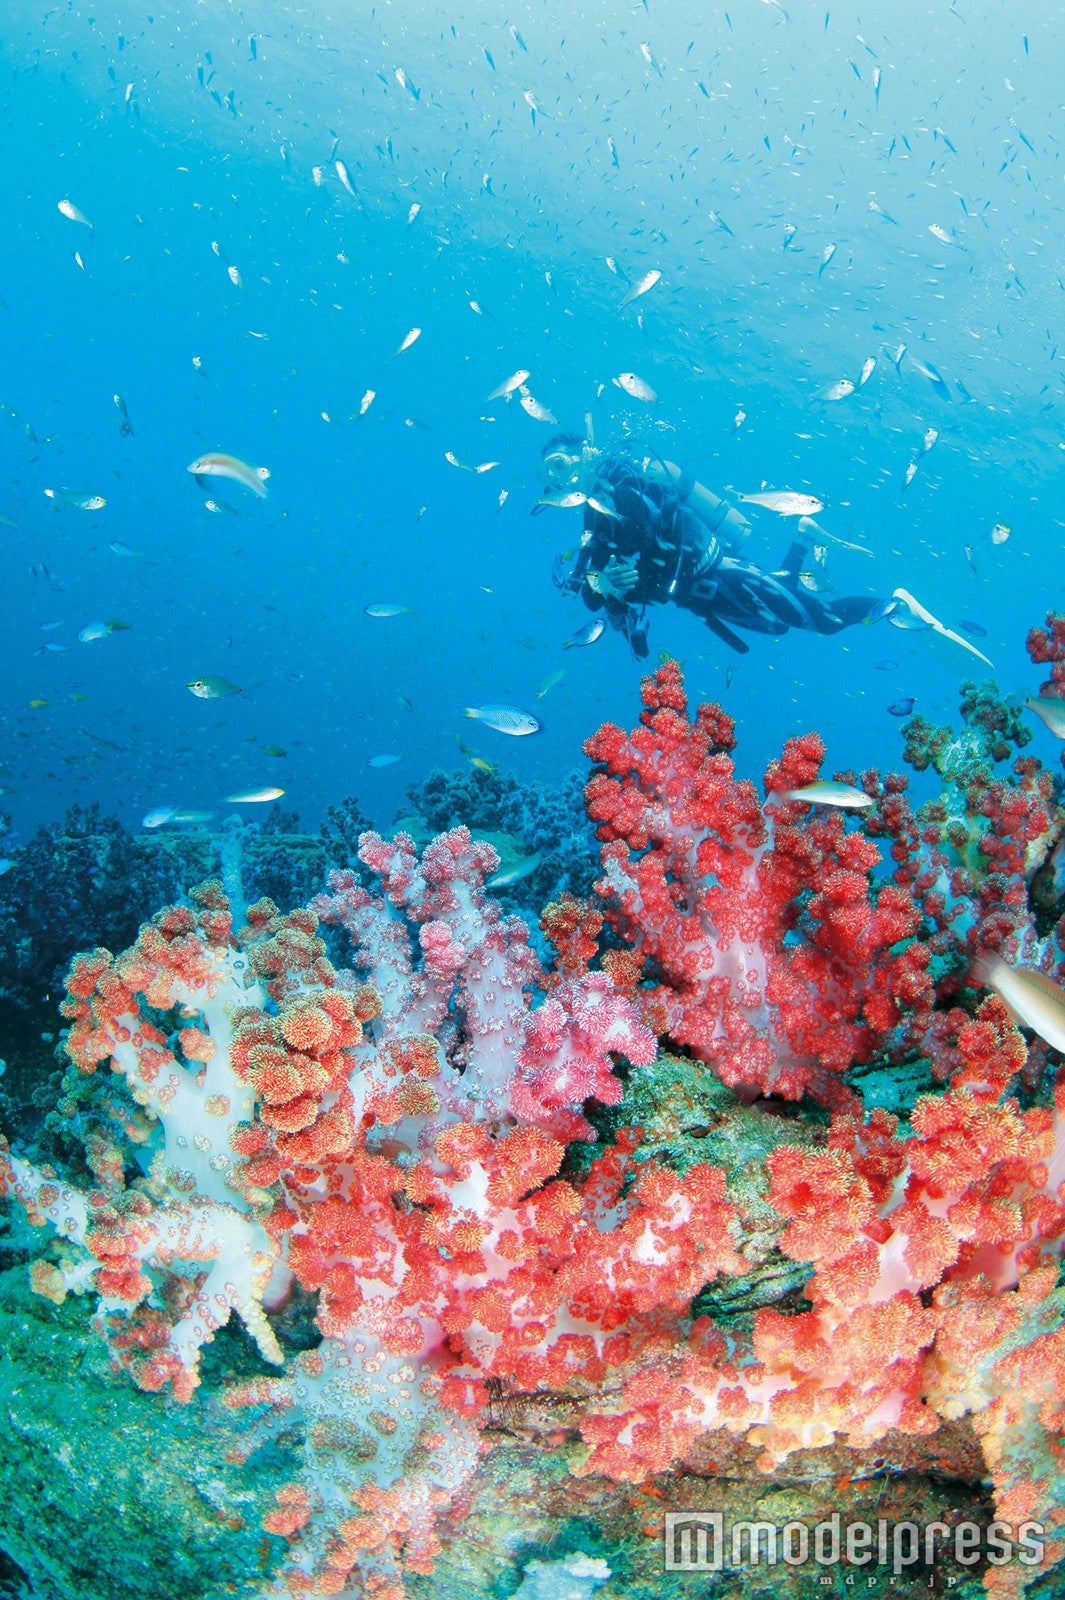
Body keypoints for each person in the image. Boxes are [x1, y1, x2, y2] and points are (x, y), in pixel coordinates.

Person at [539, 434, 884, 658]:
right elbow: (590, 592)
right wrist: (608, 586)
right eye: (549, 472)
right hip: (702, 595)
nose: (556, 479)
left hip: (722, 576)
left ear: (582, 457)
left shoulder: (624, 496)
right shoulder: (595, 514)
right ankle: (803, 537)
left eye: (559, 465)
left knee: (825, 620)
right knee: (779, 623)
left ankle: (893, 606)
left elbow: (667, 556)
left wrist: (624, 582)